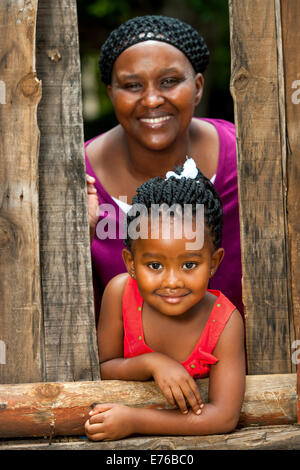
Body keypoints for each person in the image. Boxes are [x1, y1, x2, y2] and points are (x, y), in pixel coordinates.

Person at [85, 15, 243, 324]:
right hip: (124, 367)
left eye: (169, 81)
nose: (152, 99)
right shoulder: (79, 181)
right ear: (111, 94)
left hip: (250, 366)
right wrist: (80, 235)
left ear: (197, 87)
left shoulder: (246, 160)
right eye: (132, 85)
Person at [84, 160, 245, 441]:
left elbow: (224, 416)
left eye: (190, 265)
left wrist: (135, 420)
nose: (172, 282)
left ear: (214, 262)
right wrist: (153, 363)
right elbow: (102, 367)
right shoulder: (120, 293)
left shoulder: (225, 322)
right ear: (131, 263)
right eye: (155, 266)